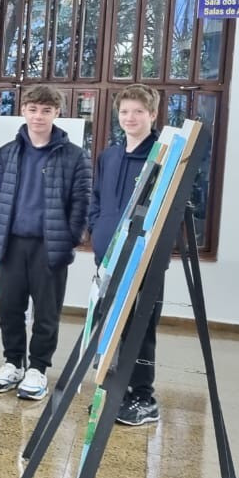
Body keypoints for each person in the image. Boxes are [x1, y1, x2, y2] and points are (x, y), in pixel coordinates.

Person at [0, 85, 91, 400]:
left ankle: (38, 368)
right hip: (12, 243)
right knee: (10, 308)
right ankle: (13, 363)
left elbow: (81, 204)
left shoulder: (74, 156)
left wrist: (69, 239)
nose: (38, 116)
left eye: (46, 110)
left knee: (46, 312)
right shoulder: (7, 152)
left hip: (49, 246)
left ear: (57, 113)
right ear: (23, 111)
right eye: (33, 109)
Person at [88, 83, 164, 425]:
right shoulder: (109, 156)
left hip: (143, 261)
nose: (130, 118)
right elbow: (97, 199)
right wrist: (96, 229)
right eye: (124, 112)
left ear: (152, 115)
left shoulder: (162, 160)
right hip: (108, 258)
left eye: (138, 112)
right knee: (107, 326)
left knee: (139, 329)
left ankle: (143, 397)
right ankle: (112, 391)